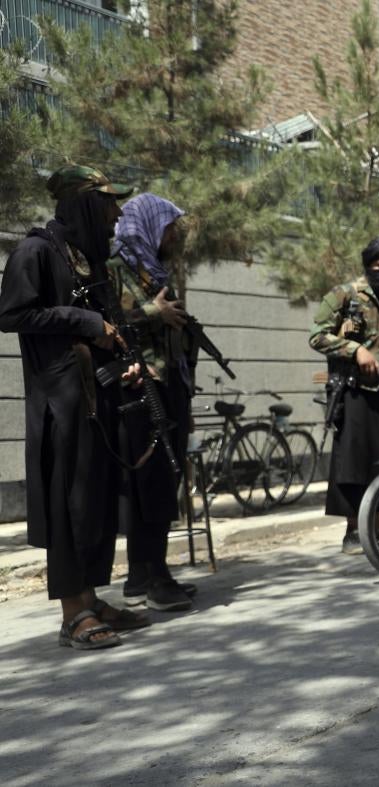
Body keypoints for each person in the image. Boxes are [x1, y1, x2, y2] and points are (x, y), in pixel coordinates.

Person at [0, 165, 150, 650]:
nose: (116, 215)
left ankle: (91, 598)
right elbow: (13, 314)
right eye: (108, 204)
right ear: (84, 203)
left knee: (95, 504)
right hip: (60, 405)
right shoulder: (36, 251)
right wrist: (82, 320)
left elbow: (105, 324)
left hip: (97, 396)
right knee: (69, 505)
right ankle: (73, 614)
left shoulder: (88, 259)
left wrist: (124, 360)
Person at [108, 193, 199, 611]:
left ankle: (143, 574)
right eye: (167, 227)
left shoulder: (152, 268)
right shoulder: (115, 267)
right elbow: (108, 319)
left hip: (167, 384)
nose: (172, 235)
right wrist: (153, 312)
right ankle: (155, 579)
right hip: (141, 386)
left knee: (160, 479)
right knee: (153, 481)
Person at [309, 238, 379, 554]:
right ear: (368, 264)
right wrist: (355, 349)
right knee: (354, 462)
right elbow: (317, 336)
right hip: (354, 391)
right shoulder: (344, 295)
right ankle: (353, 530)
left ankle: (378, 525)